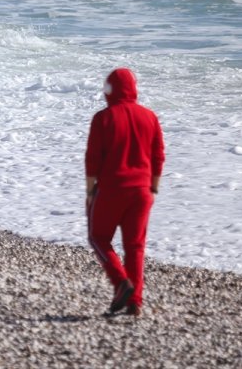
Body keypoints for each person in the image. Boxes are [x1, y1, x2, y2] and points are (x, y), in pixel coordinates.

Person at [85, 67, 165, 317]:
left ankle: (121, 282)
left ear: (109, 89)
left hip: (112, 189)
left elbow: (93, 159)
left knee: (98, 238)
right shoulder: (149, 116)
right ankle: (135, 302)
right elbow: (158, 156)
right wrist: (153, 188)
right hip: (142, 191)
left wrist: (90, 191)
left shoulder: (103, 118)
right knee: (135, 247)